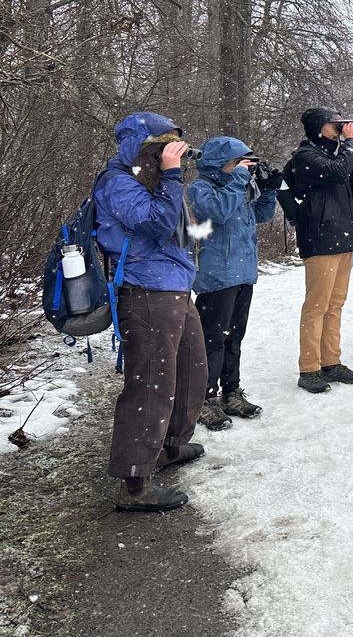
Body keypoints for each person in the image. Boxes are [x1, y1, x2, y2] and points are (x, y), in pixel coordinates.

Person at [93, 112, 206, 512]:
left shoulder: (153, 181)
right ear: (145, 148)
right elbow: (156, 225)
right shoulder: (118, 182)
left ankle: (169, 447)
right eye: (164, 146)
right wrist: (173, 175)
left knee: (193, 370)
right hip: (144, 290)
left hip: (174, 286)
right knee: (152, 384)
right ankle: (135, 482)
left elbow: (182, 231)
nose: (171, 154)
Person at [188, 137, 282, 429]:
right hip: (216, 276)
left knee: (234, 337)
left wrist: (268, 190)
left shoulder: (237, 187)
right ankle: (204, 399)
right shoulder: (201, 188)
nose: (245, 167)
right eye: (239, 162)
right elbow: (217, 212)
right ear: (220, 163)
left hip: (242, 273)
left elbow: (261, 216)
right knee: (211, 340)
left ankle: (231, 391)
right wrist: (240, 178)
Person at [289, 107, 353, 393]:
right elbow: (336, 173)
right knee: (317, 305)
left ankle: (331, 361)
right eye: (334, 124)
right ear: (317, 127)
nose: (340, 127)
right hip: (321, 238)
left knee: (335, 304)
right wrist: (348, 146)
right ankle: (309, 368)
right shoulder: (306, 155)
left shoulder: (341, 153)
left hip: (343, 237)